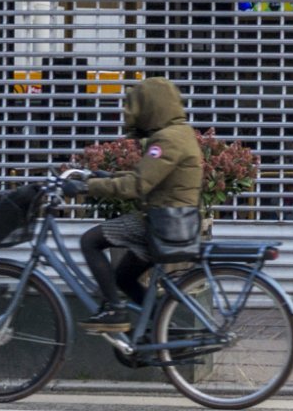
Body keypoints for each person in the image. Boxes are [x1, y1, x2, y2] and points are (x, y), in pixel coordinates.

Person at [75, 78, 205, 328]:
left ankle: (115, 311)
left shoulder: (167, 139)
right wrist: (109, 177)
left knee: (89, 241)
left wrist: (86, 187)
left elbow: (136, 186)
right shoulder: (181, 133)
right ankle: (162, 328)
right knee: (123, 278)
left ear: (152, 105)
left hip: (159, 222)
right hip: (171, 221)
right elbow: (151, 177)